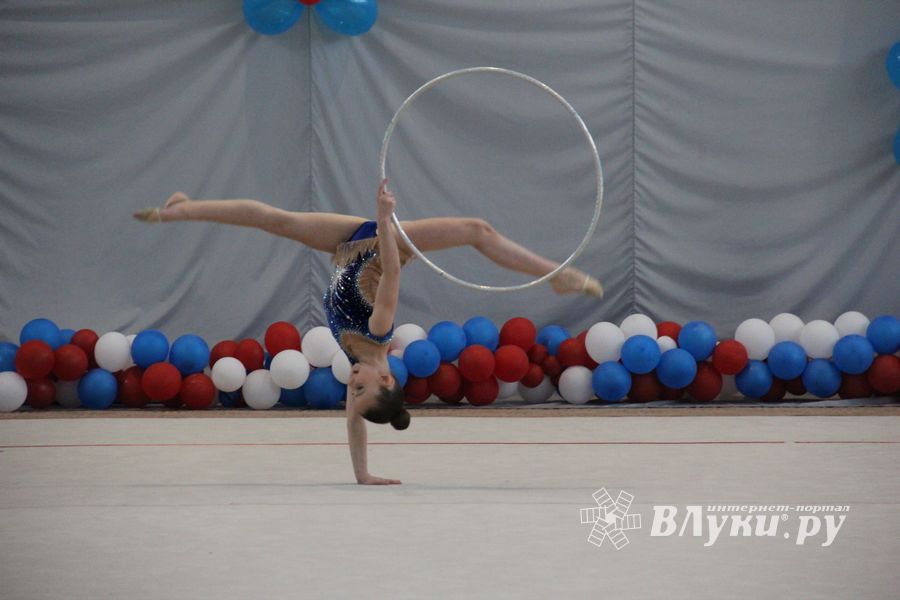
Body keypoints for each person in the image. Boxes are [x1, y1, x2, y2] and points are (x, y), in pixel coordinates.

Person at [134, 181, 602, 484]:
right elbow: (394, 274)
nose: (349, 381)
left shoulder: (360, 367)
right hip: (382, 246)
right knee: (477, 229)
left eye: (350, 391)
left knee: (276, 221)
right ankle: (556, 275)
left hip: (346, 248)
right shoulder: (377, 332)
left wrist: (363, 474)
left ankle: (184, 210)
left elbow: (356, 421)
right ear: (386, 380)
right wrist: (384, 218)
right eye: (358, 386)